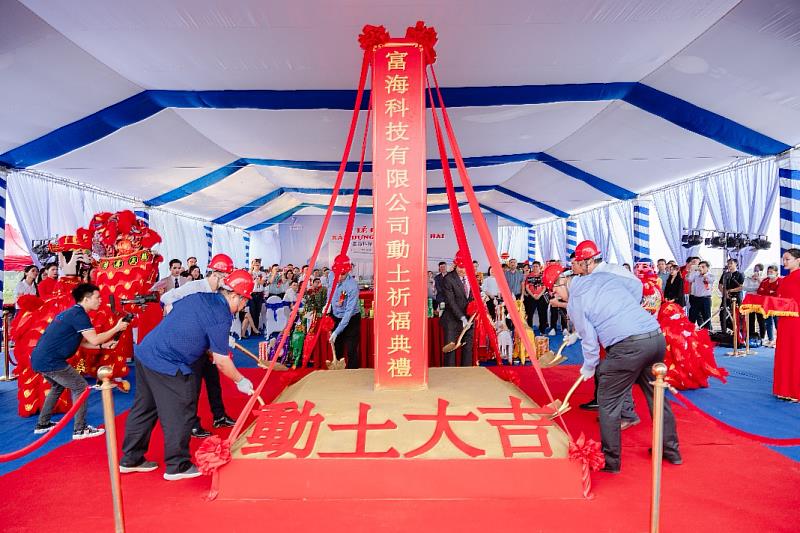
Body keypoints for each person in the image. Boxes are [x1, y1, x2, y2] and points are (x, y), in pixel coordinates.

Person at [120, 269, 255, 480]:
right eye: (245, 301)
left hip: (147, 352)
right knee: (181, 410)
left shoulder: (199, 297)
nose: (244, 306)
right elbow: (221, 361)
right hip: (167, 362)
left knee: (145, 407)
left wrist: (213, 343)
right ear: (234, 295)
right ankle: (177, 466)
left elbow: (183, 318)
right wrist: (240, 380)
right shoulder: (221, 315)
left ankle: (131, 459)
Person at [547, 264, 681, 473]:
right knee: (657, 396)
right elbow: (636, 286)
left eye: (554, 290)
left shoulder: (576, 301)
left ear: (562, 281)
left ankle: (611, 461)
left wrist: (589, 367)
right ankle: (671, 450)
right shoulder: (603, 277)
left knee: (608, 401)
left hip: (627, 347)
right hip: (655, 338)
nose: (556, 295)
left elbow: (590, 342)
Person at [31, 283, 130, 438]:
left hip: (40, 359)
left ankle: (42, 424)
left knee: (57, 386)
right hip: (51, 361)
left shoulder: (72, 313)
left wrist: (103, 345)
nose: (100, 301)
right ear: (86, 299)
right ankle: (80, 429)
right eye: (97, 297)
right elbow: (95, 339)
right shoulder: (79, 315)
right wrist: (117, 328)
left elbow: (82, 342)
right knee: (81, 387)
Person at [160, 253, 237, 436]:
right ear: (216, 274)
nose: (226, 281)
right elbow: (166, 299)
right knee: (191, 388)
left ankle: (219, 417)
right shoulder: (193, 287)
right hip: (191, 345)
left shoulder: (219, 292)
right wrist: (180, 317)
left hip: (208, 345)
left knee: (213, 382)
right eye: (225, 276)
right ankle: (192, 425)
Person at [774, 249, 800, 401]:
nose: (784, 262)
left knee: (796, 354)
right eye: (783, 259)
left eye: (787, 259)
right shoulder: (784, 279)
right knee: (785, 353)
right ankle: (784, 389)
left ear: (798, 260)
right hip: (784, 321)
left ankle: (796, 391)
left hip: (796, 321)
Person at [440, 251, 474, 367]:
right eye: (460, 267)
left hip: (469, 321)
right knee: (451, 352)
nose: (462, 270)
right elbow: (451, 302)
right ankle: (450, 379)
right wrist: (462, 318)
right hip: (452, 321)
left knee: (468, 350)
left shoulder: (472, 278)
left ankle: (466, 377)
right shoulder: (449, 279)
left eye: (464, 267)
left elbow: (472, 297)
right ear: (455, 265)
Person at [328, 254, 361, 369]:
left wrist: (337, 331)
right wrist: (328, 306)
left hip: (351, 319)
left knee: (351, 349)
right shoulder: (331, 275)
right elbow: (329, 290)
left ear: (348, 271)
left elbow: (348, 313)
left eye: (343, 274)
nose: (339, 277)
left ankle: (353, 376)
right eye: (338, 274)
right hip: (336, 315)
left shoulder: (352, 286)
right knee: (337, 347)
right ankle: (338, 374)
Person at [757, 265, 781, 347]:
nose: (769, 273)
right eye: (768, 272)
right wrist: (769, 292)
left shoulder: (780, 280)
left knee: (777, 323)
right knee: (768, 323)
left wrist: (766, 291)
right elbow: (759, 291)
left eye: (771, 272)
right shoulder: (765, 280)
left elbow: (777, 293)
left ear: (776, 272)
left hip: (776, 306)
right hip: (766, 305)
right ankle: (771, 340)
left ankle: (780, 340)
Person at [686, 261, 714, 330]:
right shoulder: (696, 274)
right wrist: (691, 271)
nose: (700, 268)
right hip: (696, 299)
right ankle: (690, 333)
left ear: (707, 268)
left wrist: (705, 275)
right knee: (691, 317)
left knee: (706, 318)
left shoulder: (710, 275)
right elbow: (689, 279)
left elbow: (710, 281)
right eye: (699, 266)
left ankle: (708, 334)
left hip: (705, 299)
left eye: (703, 267)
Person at [719, 258, 745, 332]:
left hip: (736, 297)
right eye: (728, 263)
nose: (729, 265)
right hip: (725, 297)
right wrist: (724, 292)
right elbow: (720, 285)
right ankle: (724, 331)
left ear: (736, 264)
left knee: (736, 314)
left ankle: (737, 332)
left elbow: (741, 287)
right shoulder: (725, 274)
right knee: (722, 313)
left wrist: (731, 290)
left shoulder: (740, 274)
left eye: (731, 263)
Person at [524, 262, 549, 334]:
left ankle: (542, 330)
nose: (535, 268)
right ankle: (530, 330)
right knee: (529, 314)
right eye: (533, 266)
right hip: (531, 297)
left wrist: (539, 295)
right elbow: (527, 287)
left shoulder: (543, 276)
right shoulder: (528, 276)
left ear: (539, 267)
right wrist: (533, 295)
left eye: (536, 266)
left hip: (541, 297)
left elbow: (544, 287)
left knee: (542, 314)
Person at [744, 264, 765, 340]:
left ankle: (762, 337)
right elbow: (745, 288)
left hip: (759, 301)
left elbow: (763, 288)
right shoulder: (748, 278)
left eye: (758, 270)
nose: (756, 271)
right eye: (755, 270)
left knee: (761, 320)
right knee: (750, 319)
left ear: (761, 271)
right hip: (750, 301)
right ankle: (751, 336)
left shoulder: (763, 279)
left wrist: (758, 279)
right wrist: (755, 288)